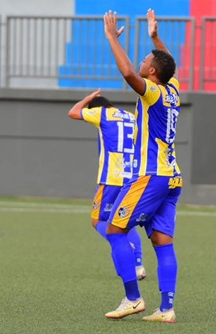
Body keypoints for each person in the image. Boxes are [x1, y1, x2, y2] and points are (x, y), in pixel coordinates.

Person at [102, 9, 182, 323]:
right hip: (173, 177)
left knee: (114, 229)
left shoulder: (153, 93)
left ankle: (133, 298)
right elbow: (169, 63)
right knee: (162, 242)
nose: (142, 60)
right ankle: (167, 308)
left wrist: (111, 38)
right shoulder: (173, 89)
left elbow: (128, 75)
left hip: (153, 175)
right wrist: (154, 38)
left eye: (146, 58)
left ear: (151, 71)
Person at [67, 89, 147, 279]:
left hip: (111, 177)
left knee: (98, 221)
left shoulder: (101, 112)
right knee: (125, 221)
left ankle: (125, 247)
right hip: (132, 176)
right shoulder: (129, 116)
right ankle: (138, 265)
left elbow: (73, 112)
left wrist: (88, 98)